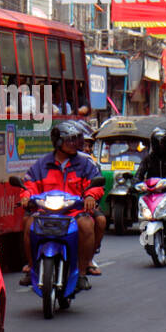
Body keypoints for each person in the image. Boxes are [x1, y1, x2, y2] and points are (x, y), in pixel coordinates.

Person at [18, 122, 104, 291]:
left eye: (76, 140)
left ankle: (81, 272)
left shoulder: (85, 164)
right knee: (28, 224)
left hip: (74, 210)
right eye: (70, 141)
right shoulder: (42, 164)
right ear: (57, 142)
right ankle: (31, 267)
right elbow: (29, 184)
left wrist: (90, 196)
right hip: (46, 211)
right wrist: (26, 196)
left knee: (87, 225)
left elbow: (96, 185)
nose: (75, 144)